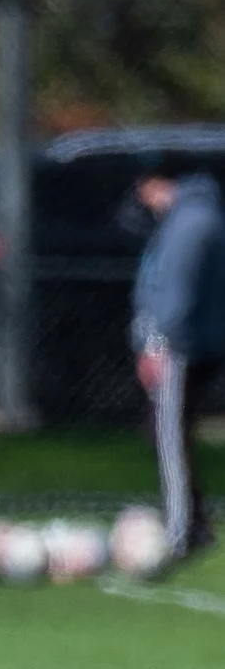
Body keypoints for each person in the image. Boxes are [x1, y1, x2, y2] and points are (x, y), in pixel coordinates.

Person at [130, 167, 224, 561]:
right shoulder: (188, 218)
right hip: (183, 343)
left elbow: (177, 291)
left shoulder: (192, 222)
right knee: (166, 431)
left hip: (180, 348)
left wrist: (156, 344)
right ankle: (194, 523)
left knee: (169, 435)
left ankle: (179, 531)